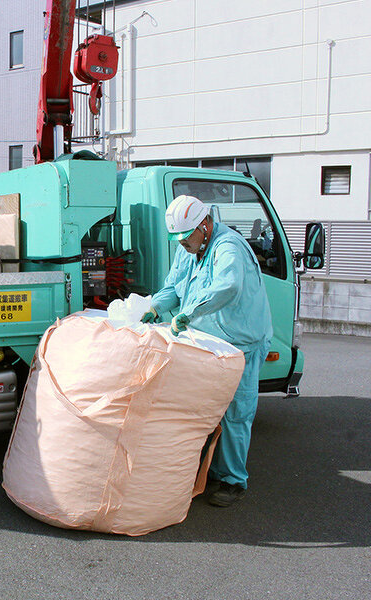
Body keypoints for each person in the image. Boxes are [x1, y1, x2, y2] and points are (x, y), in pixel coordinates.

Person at [140, 194, 273, 507]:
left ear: (204, 225)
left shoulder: (229, 247)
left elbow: (228, 287)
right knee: (203, 407)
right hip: (208, 341)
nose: (182, 244)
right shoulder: (189, 248)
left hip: (241, 344)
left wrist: (190, 312)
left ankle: (233, 481)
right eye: (178, 239)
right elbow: (173, 286)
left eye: (186, 237)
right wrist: (156, 307)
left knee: (236, 413)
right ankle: (207, 468)